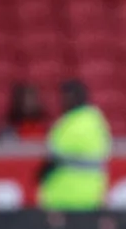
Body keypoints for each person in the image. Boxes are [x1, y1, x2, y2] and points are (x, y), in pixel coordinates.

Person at [37, 80, 112, 210]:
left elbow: (56, 155)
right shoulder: (94, 121)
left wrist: (42, 172)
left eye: (65, 97)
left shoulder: (75, 124)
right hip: (90, 194)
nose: (62, 101)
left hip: (68, 195)